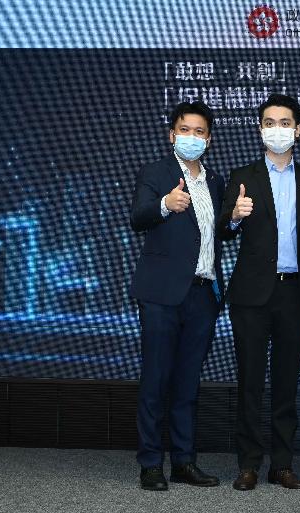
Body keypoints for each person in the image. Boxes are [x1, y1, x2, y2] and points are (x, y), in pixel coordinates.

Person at [217, 94, 300, 492]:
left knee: (286, 384)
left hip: (294, 294)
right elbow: (224, 231)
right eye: (269, 122)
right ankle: (247, 464)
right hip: (251, 297)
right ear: (260, 128)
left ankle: (282, 464)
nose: (276, 129)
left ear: (298, 129)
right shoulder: (243, 175)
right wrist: (235, 216)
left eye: (284, 122)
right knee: (250, 382)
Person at [129, 101, 225, 491]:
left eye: (199, 131)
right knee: (156, 381)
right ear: (171, 135)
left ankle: (185, 461)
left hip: (202, 294)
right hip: (161, 294)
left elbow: (216, 234)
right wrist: (166, 205)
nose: (191, 137)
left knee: (188, 384)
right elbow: (138, 217)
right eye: (184, 130)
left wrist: (233, 218)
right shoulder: (156, 173)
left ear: (209, 139)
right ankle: (151, 463)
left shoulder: (215, 181)